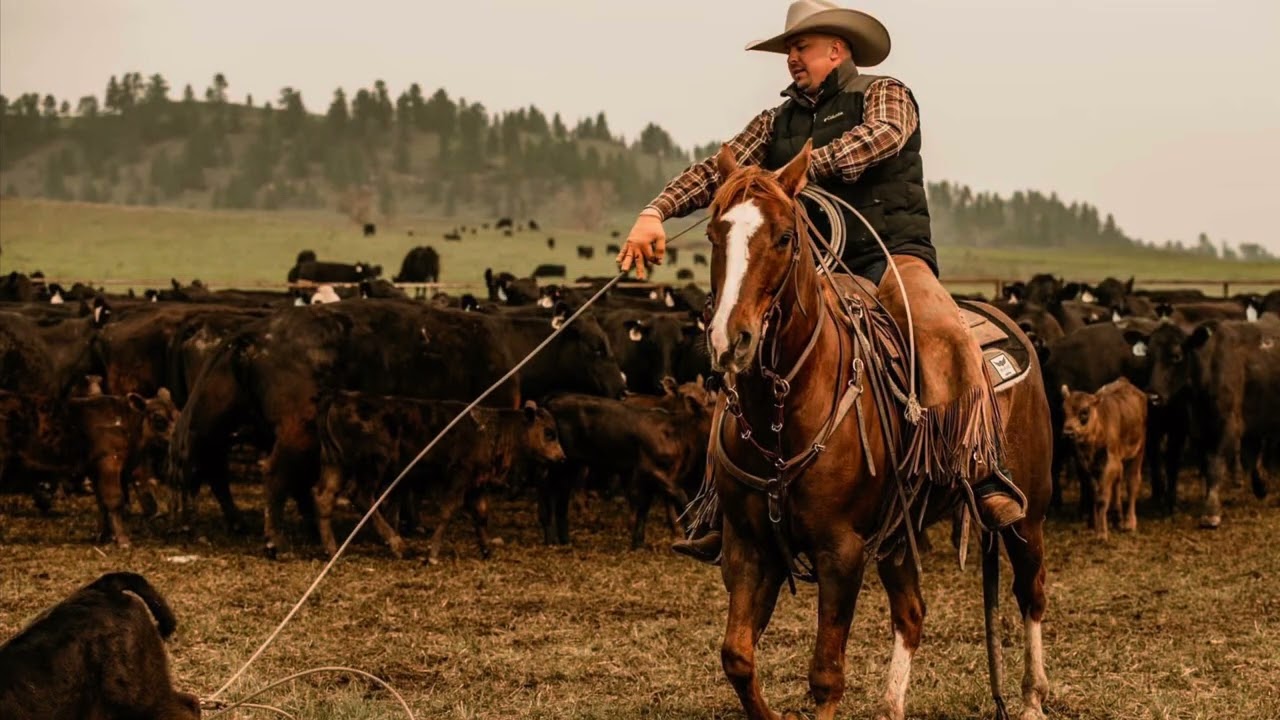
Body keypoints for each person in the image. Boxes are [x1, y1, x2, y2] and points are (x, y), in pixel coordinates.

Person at [616, 0, 1027, 564]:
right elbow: (721, 170)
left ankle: (980, 471)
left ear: (837, 49)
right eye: (789, 49)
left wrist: (801, 170)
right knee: (748, 350)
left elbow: (882, 137)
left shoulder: (885, 93)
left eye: (801, 47)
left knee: (938, 330)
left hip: (890, 256)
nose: (791, 58)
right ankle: (727, 501)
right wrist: (654, 212)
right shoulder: (773, 122)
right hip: (813, 265)